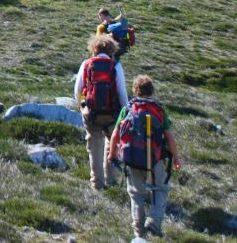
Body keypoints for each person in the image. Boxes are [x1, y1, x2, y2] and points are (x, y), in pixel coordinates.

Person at [108, 74, 182, 239]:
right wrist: (176, 158)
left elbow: (115, 135)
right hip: (155, 158)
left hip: (132, 159)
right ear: (152, 90)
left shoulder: (127, 109)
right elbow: (169, 136)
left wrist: (112, 154)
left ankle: (139, 232)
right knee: (162, 188)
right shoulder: (159, 109)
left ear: (135, 90)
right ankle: (154, 222)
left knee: (136, 194)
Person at [74, 34, 129, 190]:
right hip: (112, 114)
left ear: (94, 49)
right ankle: (110, 179)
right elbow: (122, 94)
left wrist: (81, 106)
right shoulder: (116, 66)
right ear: (112, 49)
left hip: (91, 113)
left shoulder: (86, 64)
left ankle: (96, 183)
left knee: (94, 145)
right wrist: (124, 113)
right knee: (111, 143)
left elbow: (78, 90)